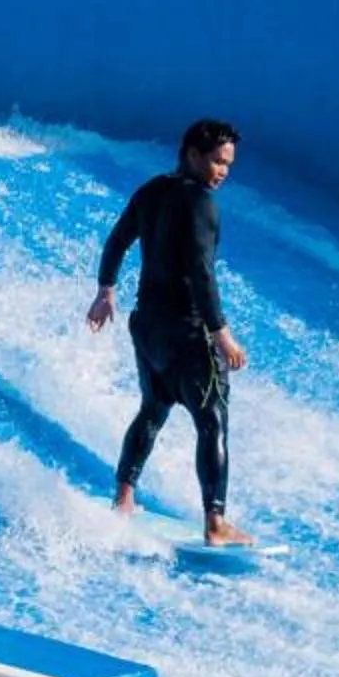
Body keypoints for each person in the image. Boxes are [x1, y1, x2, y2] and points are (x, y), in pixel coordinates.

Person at [87, 118, 253, 545]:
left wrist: (106, 291)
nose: (222, 172)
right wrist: (221, 334)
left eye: (228, 165)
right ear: (193, 153)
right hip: (188, 333)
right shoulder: (200, 203)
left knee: (153, 408)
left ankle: (123, 499)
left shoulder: (152, 191)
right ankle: (216, 524)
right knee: (213, 421)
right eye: (216, 161)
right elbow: (201, 272)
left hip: (148, 327)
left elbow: (117, 240)